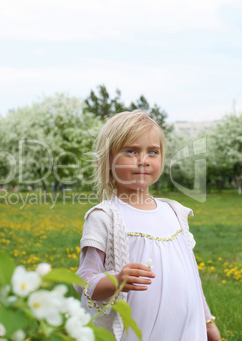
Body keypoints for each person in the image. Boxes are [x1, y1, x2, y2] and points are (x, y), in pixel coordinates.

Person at [75, 111, 221, 341]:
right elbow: (84, 280)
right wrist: (116, 279)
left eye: (152, 152)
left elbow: (192, 277)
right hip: (138, 330)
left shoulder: (174, 212)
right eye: (130, 151)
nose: (143, 160)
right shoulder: (105, 217)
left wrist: (207, 321)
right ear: (108, 159)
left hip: (187, 330)